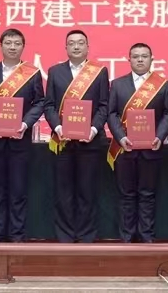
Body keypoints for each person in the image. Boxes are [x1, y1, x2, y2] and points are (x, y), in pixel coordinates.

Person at [0, 28, 44, 243]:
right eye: (8, 43)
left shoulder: (32, 73)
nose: (12, 47)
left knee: (18, 192)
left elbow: (40, 102)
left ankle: (17, 236)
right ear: (1, 46)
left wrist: (25, 123)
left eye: (17, 43)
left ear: (23, 47)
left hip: (20, 141)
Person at [43, 29, 109, 243]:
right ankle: (65, 236)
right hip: (62, 142)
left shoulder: (99, 72)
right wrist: (58, 128)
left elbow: (104, 106)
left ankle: (86, 235)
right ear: (66, 47)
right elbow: (49, 105)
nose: (76, 46)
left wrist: (93, 129)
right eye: (72, 43)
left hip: (90, 142)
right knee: (63, 192)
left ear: (88, 47)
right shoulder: (55, 72)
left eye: (81, 42)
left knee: (87, 191)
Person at [107, 43, 168, 243]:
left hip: (151, 148)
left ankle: (146, 237)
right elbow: (111, 114)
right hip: (125, 148)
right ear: (129, 60)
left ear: (152, 59)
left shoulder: (162, 85)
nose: (140, 60)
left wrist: (160, 136)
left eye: (144, 56)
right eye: (136, 56)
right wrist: (121, 137)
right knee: (126, 195)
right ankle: (127, 237)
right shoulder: (117, 84)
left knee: (147, 194)